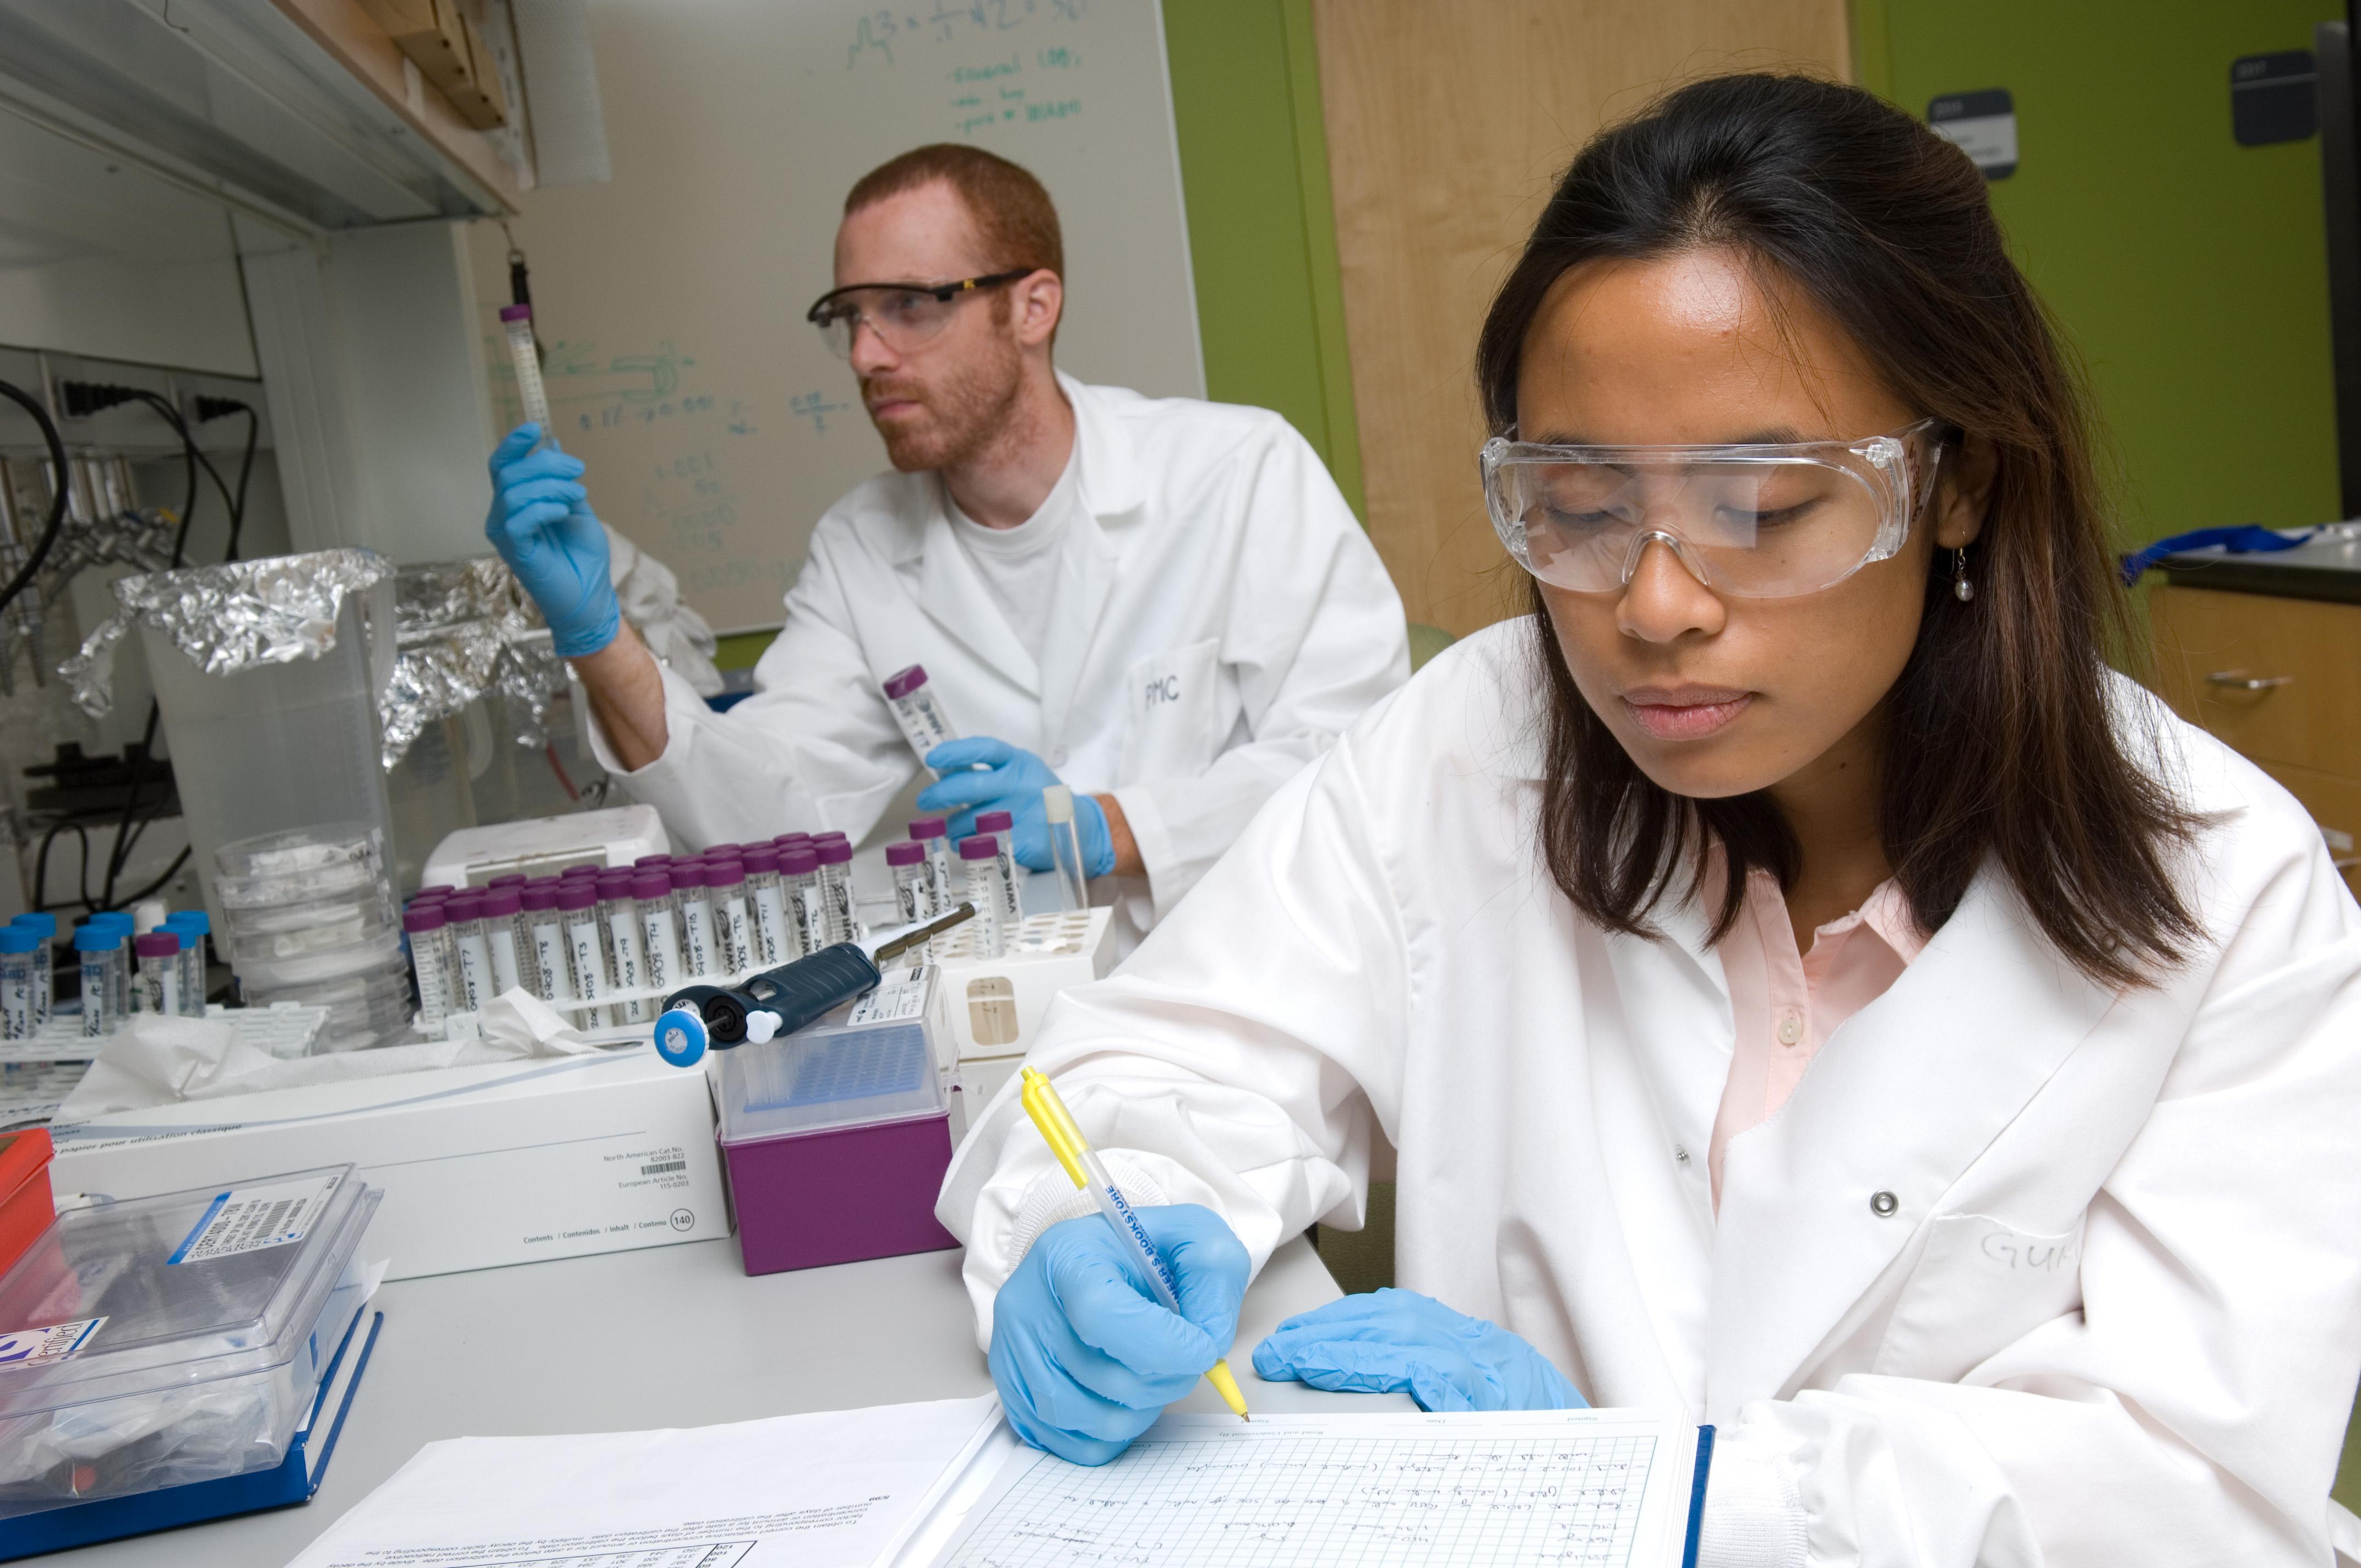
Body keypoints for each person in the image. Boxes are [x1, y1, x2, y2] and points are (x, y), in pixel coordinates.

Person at [940, 74, 2361, 1565]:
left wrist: (1664, 1500)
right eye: (1581, 501)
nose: (1655, 606)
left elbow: (2184, 1479)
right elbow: (1163, 1063)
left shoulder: (2227, 890)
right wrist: (1104, 1223)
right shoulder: (1480, 741)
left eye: (1764, 504)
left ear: (1957, 485)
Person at [484, 144, 1407, 944]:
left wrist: (1111, 827)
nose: (867, 356)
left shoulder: (1237, 474)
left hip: (1239, 1012)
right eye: (850, 316)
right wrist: (602, 643)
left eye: (911, 307)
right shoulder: (860, 548)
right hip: (1017, 1035)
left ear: (1034, 306)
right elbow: (766, 817)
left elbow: (1362, 766)